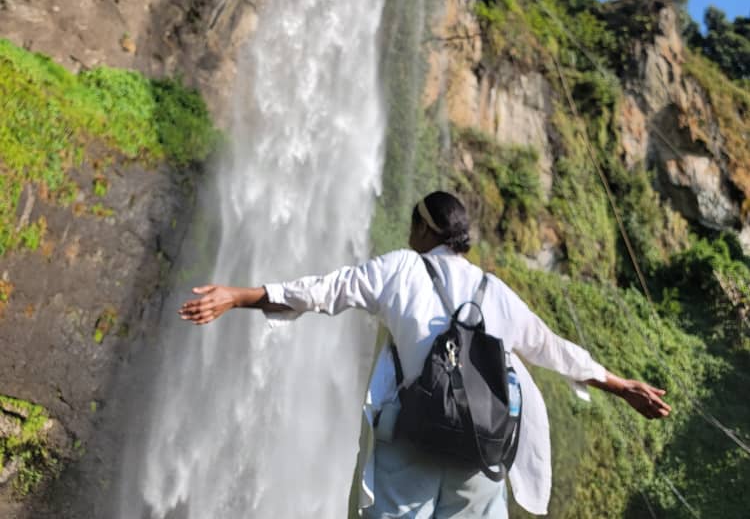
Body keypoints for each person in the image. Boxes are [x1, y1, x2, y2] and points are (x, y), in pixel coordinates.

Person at [179, 191, 671, 518]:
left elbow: (324, 291)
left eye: (413, 227)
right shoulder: (492, 289)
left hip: (413, 441)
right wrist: (621, 385)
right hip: (480, 453)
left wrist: (239, 295)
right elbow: (552, 349)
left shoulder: (401, 269)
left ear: (423, 230)